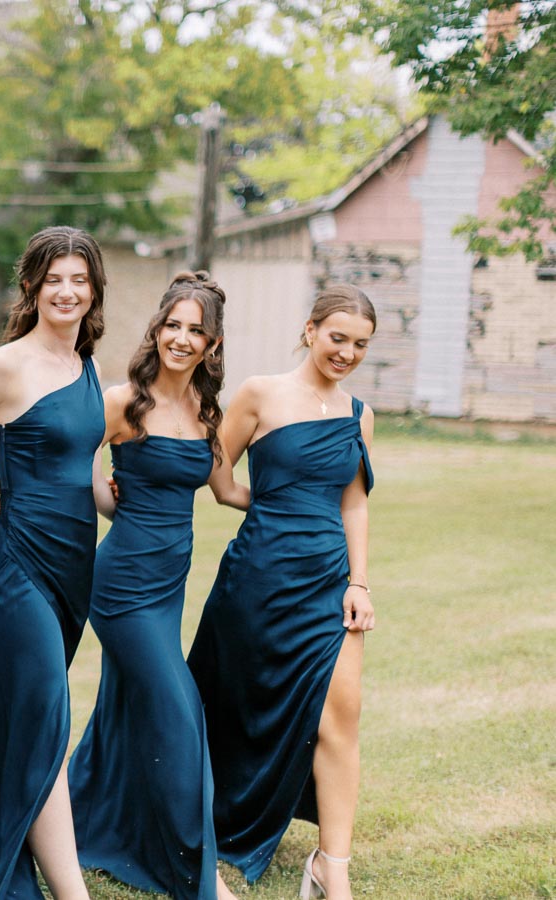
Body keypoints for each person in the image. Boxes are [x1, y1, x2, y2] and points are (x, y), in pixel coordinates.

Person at [187, 285, 377, 900]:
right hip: (258, 577)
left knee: (341, 712)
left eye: (360, 345)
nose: (346, 352)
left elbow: (354, 501)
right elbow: (219, 476)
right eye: (338, 337)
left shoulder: (358, 415)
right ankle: (212, 817)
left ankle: (332, 868)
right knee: (235, 702)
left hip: (328, 583)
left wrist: (360, 582)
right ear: (311, 328)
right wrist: (271, 507)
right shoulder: (261, 393)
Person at [67, 272, 247, 900]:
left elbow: (226, 492)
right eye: (174, 324)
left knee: (125, 709)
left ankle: (81, 821)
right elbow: (65, 456)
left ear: (213, 345)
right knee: (179, 709)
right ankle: (197, 872)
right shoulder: (122, 401)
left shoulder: (208, 412)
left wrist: (298, 502)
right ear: (157, 328)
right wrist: (95, 496)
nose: (181, 337)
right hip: (121, 588)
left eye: (196, 329)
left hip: (171, 584)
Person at [0, 226, 108, 900]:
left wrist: (119, 496)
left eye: (79, 279)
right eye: (54, 279)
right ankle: (69, 890)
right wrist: (10, 485)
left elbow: (85, 469)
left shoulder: (87, 365)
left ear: (94, 289)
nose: (66, 291)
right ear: (32, 287)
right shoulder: (2, 365)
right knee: (45, 712)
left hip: (76, 566)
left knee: (15, 718)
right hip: (15, 567)